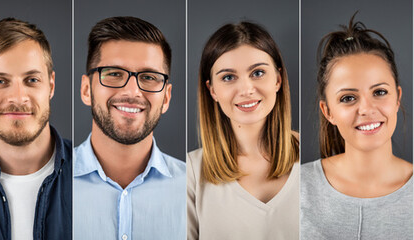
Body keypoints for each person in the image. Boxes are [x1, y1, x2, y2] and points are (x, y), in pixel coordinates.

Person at [301, 14, 412, 239]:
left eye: (379, 92)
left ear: (397, 98)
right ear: (328, 111)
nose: (366, 109)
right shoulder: (297, 188)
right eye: (348, 98)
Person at [73, 16, 185, 240]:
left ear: (166, 98)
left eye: (149, 77)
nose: (133, 92)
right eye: (114, 74)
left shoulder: (193, 189)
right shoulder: (51, 185)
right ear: (86, 90)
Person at [0, 18, 71, 240]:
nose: (18, 98)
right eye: (0, 81)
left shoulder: (90, 175)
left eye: (31, 80)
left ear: (51, 85)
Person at [187, 21, 299, 240]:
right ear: (212, 90)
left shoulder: (315, 162)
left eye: (257, 73)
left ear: (278, 79)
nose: (247, 89)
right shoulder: (190, 173)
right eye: (228, 77)